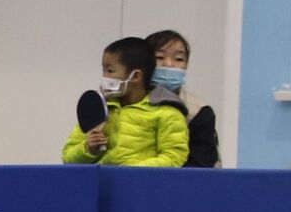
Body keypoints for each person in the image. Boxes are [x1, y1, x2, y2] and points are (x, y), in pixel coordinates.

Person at [60, 35, 190, 167]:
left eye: (110, 70)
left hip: (141, 181)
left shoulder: (168, 112)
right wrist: (88, 149)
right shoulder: (99, 108)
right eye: (104, 70)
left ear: (136, 76)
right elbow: (68, 158)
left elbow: (174, 157)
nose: (105, 76)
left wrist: (129, 173)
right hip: (100, 180)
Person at [144, 27, 222, 167]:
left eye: (179, 59)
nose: (169, 64)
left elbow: (202, 164)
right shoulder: (124, 103)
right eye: (159, 57)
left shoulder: (198, 111)